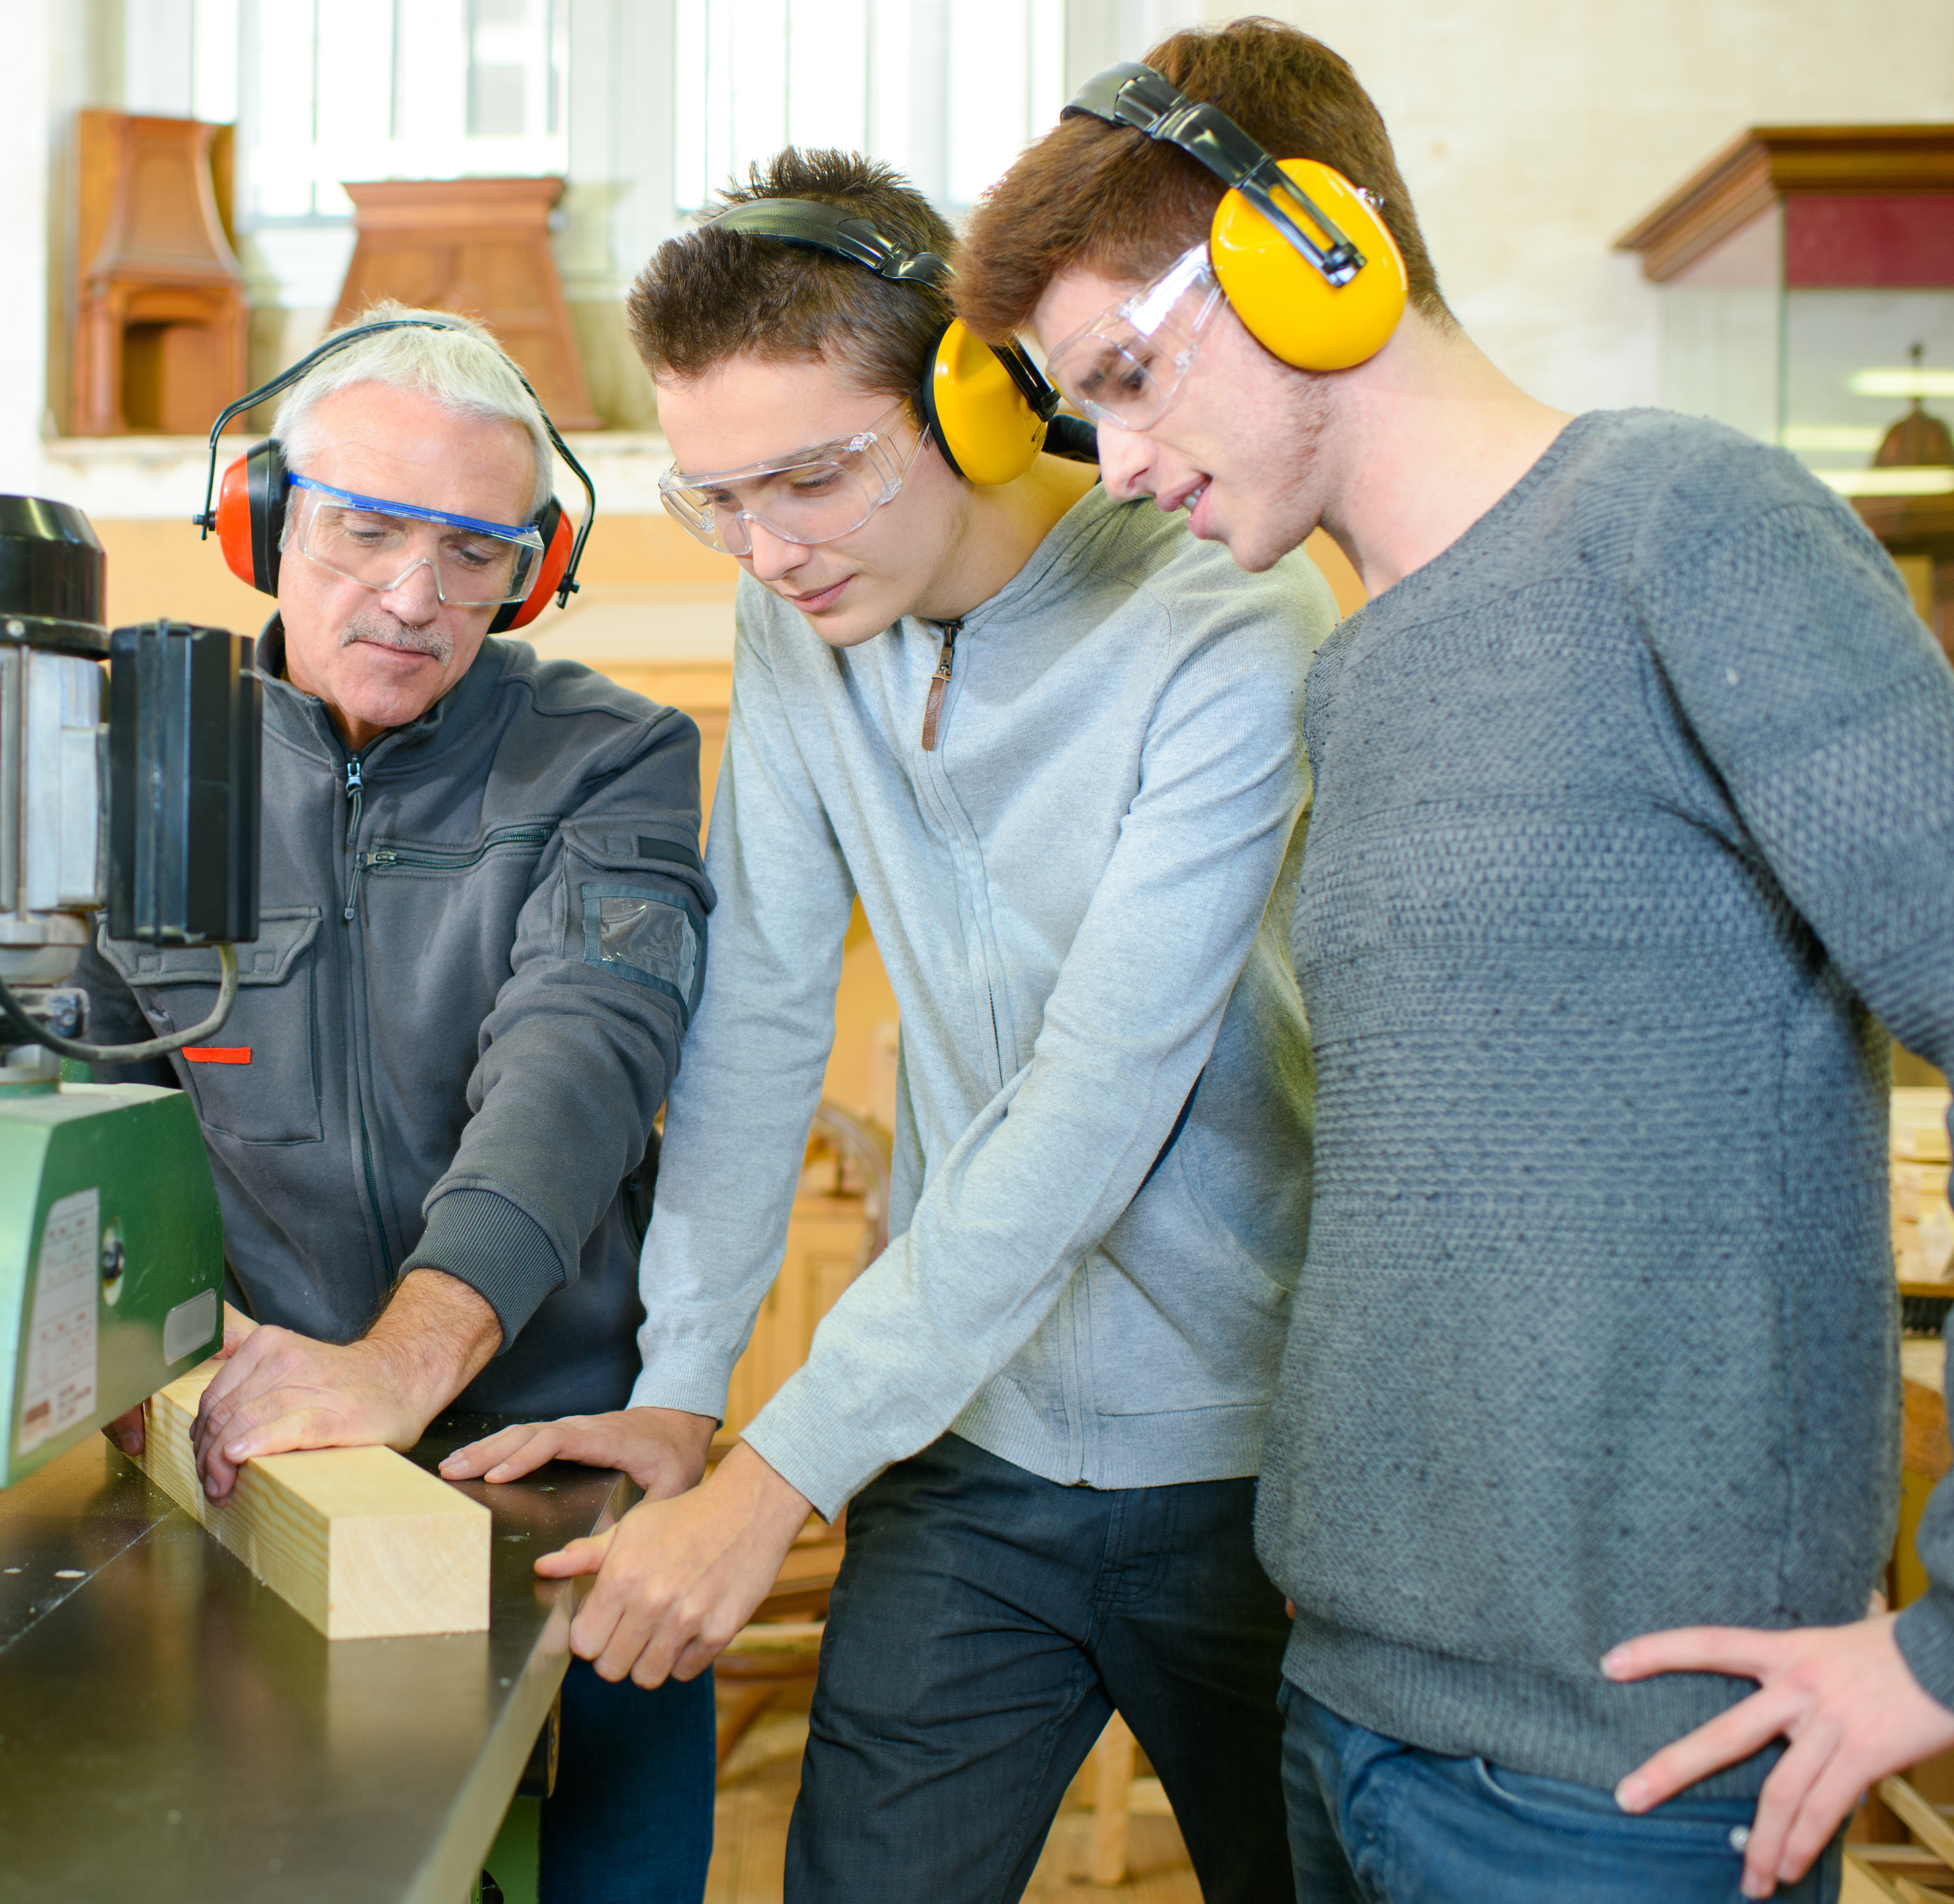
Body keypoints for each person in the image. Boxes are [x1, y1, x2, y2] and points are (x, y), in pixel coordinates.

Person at [958, 21, 1954, 1903]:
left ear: (1308, 253)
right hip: (1343, 1716)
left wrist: (1947, 1641)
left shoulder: (1682, 525)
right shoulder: (1357, 663)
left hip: (1621, 1781)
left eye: (1123, 376)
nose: (1113, 460)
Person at [443, 150, 1336, 1901]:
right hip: (967, 1443)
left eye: (816, 476)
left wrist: (773, 1472)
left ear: (978, 395)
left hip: (1255, 1461)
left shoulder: (1224, 612)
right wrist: (683, 1388)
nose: (769, 548)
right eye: (716, 499)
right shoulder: (798, 627)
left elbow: (1096, 1101)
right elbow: (758, 1006)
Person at [73, 306, 716, 1902]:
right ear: (264, 520)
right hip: (259, 1452)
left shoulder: (609, 756)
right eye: (364, 530)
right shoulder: (137, 755)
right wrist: (211, 1371)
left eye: (476, 553)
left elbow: (580, 1057)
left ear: (535, 569)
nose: (416, 597)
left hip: (563, 1460)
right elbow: (85, 1112)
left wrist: (405, 1362)